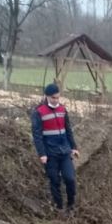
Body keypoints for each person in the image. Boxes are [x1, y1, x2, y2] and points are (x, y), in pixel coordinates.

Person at [31, 83, 79, 214]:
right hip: (50, 154)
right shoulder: (38, 112)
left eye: (58, 97)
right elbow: (37, 136)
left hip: (64, 151)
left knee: (70, 178)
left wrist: (74, 147)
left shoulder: (63, 110)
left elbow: (68, 130)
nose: (56, 100)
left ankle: (71, 206)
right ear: (46, 97)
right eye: (53, 98)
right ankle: (59, 208)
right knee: (55, 180)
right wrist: (42, 154)